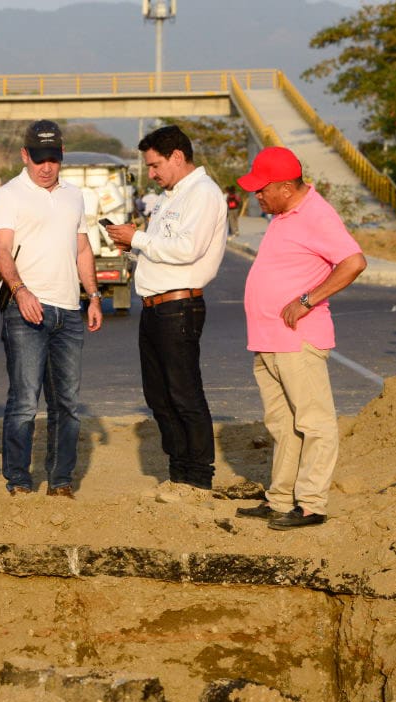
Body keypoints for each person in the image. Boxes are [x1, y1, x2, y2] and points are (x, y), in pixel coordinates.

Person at [234, 146, 366, 530]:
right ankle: (279, 500)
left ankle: (311, 505)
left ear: (286, 188)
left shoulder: (316, 215)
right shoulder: (284, 213)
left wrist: (309, 299)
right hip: (270, 340)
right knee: (283, 425)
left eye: (262, 190)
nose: (256, 196)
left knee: (314, 423)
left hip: (298, 340)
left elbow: (354, 262)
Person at [104, 125, 227, 491]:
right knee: (158, 395)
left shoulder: (203, 193)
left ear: (177, 156)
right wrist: (135, 245)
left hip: (179, 306)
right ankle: (178, 474)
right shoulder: (170, 197)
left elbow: (188, 250)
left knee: (184, 393)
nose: (152, 174)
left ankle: (198, 477)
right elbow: (165, 246)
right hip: (155, 307)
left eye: (155, 166)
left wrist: (138, 237)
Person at [0, 119, 103, 497]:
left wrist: (94, 296)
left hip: (69, 312)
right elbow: (1, 249)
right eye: (39, 158)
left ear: (61, 156)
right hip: (26, 312)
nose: (46, 166)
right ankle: (19, 481)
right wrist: (20, 291)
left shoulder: (73, 195)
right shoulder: (9, 195)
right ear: (25, 155)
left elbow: (82, 248)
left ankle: (60, 480)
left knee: (67, 404)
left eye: (53, 158)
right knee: (24, 402)